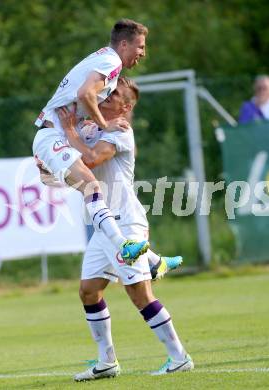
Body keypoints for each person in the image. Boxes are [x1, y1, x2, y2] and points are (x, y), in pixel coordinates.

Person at [56, 77, 193, 381]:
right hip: (102, 225)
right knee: (89, 291)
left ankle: (179, 357)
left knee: (138, 292)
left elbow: (90, 160)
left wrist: (68, 132)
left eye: (116, 93)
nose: (108, 94)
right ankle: (107, 362)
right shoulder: (93, 127)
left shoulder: (121, 131)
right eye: (109, 89)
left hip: (125, 222)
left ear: (126, 106)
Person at [33, 18, 149, 263]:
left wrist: (90, 124)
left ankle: (152, 260)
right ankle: (125, 246)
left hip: (56, 137)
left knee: (89, 188)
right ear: (125, 44)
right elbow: (85, 94)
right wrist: (104, 124)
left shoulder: (104, 58)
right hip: (53, 135)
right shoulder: (111, 62)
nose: (143, 53)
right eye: (140, 46)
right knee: (92, 186)